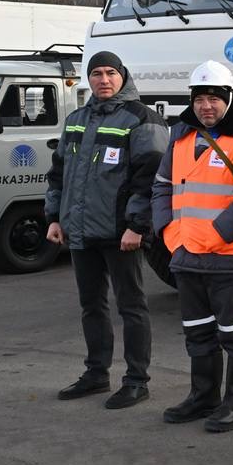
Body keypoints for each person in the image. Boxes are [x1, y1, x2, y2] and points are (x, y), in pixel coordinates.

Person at [46, 51, 167, 409]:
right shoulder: (76, 120)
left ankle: (136, 380)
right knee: (91, 306)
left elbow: (150, 177)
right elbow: (58, 173)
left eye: (110, 73)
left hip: (120, 234)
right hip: (80, 231)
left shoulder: (142, 119)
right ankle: (96, 374)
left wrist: (137, 226)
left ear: (122, 75)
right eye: (96, 73)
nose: (103, 80)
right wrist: (54, 216)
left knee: (131, 307)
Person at [152, 60, 233, 432]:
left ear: (229, 98)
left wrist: (216, 234)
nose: (206, 106)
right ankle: (203, 397)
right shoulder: (181, 135)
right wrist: (167, 230)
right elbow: (161, 186)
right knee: (198, 331)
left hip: (230, 256)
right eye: (199, 99)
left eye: (214, 98)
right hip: (186, 253)